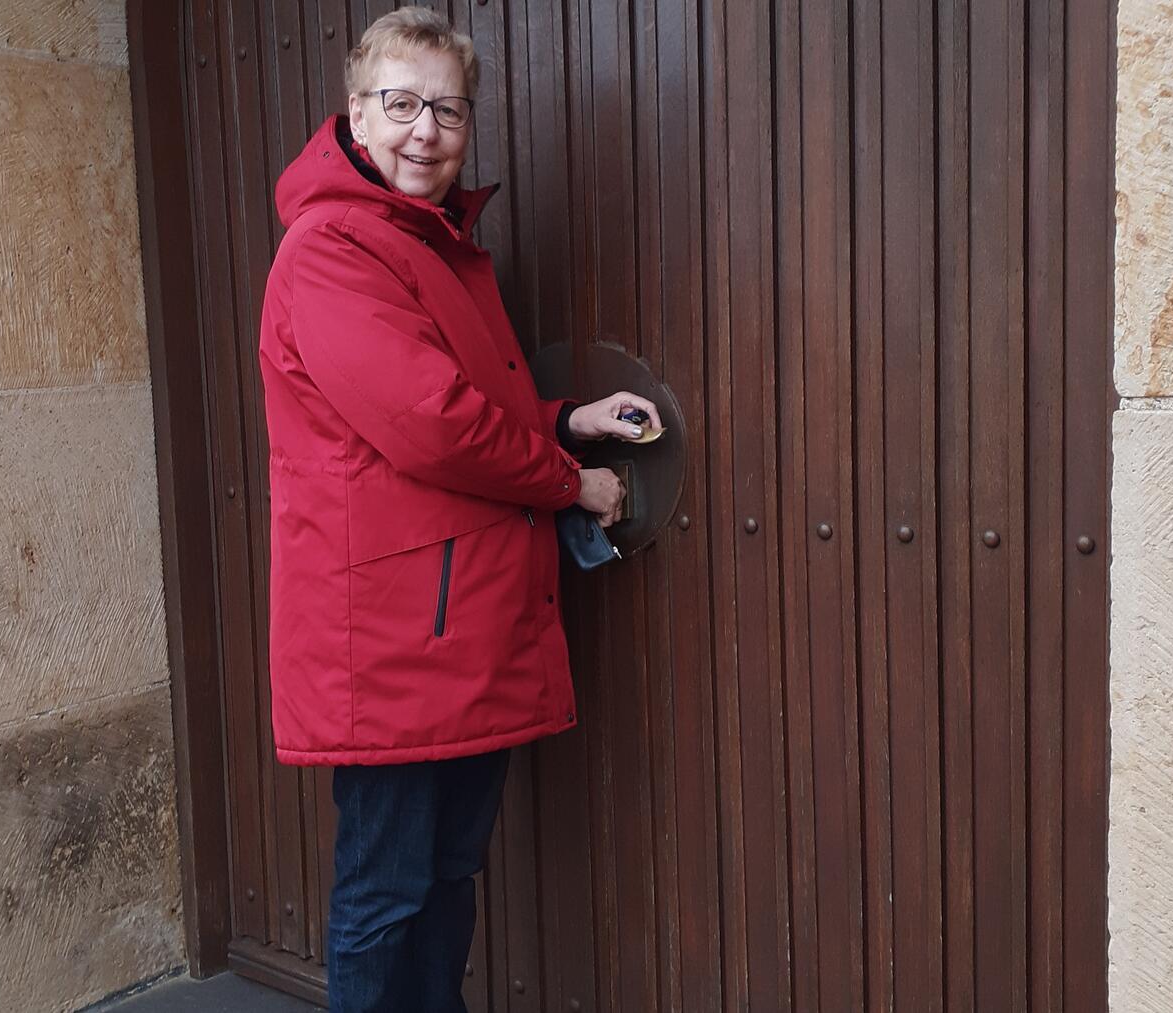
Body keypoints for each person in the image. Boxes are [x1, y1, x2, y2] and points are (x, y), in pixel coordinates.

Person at [257, 7, 662, 1010]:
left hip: (451, 624)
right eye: (401, 104)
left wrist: (565, 420)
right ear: (356, 113)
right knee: (385, 892)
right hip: (392, 638)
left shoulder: (430, 244)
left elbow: (458, 402)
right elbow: (432, 425)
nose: (425, 131)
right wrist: (572, 482)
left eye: (448, 110)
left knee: (444, 877)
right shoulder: (333, 247)